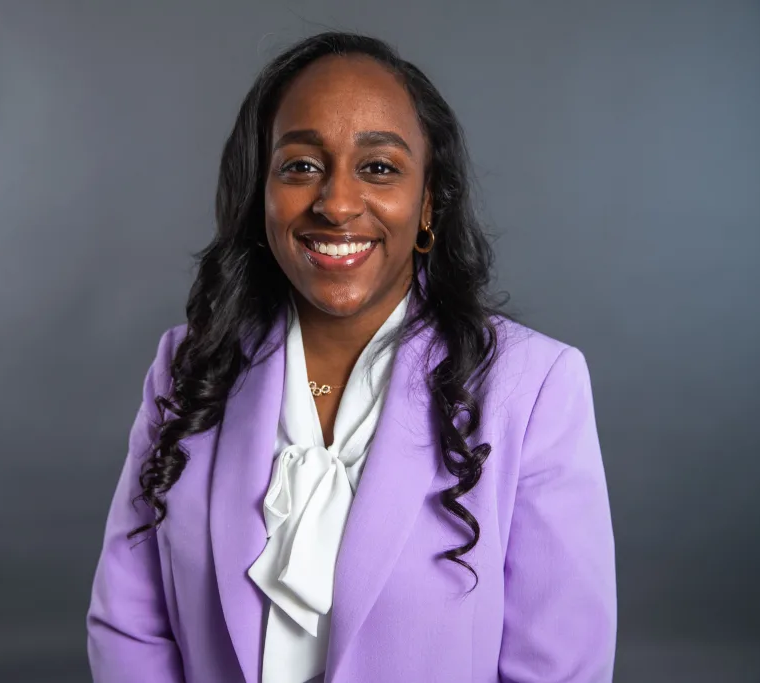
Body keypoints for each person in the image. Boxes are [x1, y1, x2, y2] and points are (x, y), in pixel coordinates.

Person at [87, 31, 616, 683]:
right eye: (301, 166)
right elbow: (130, 623)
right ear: (260, 195)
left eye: (379, 168)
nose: (336, 204)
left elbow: (560, 663)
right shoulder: (188, 365)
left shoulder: (533, 387)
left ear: (429, 203)